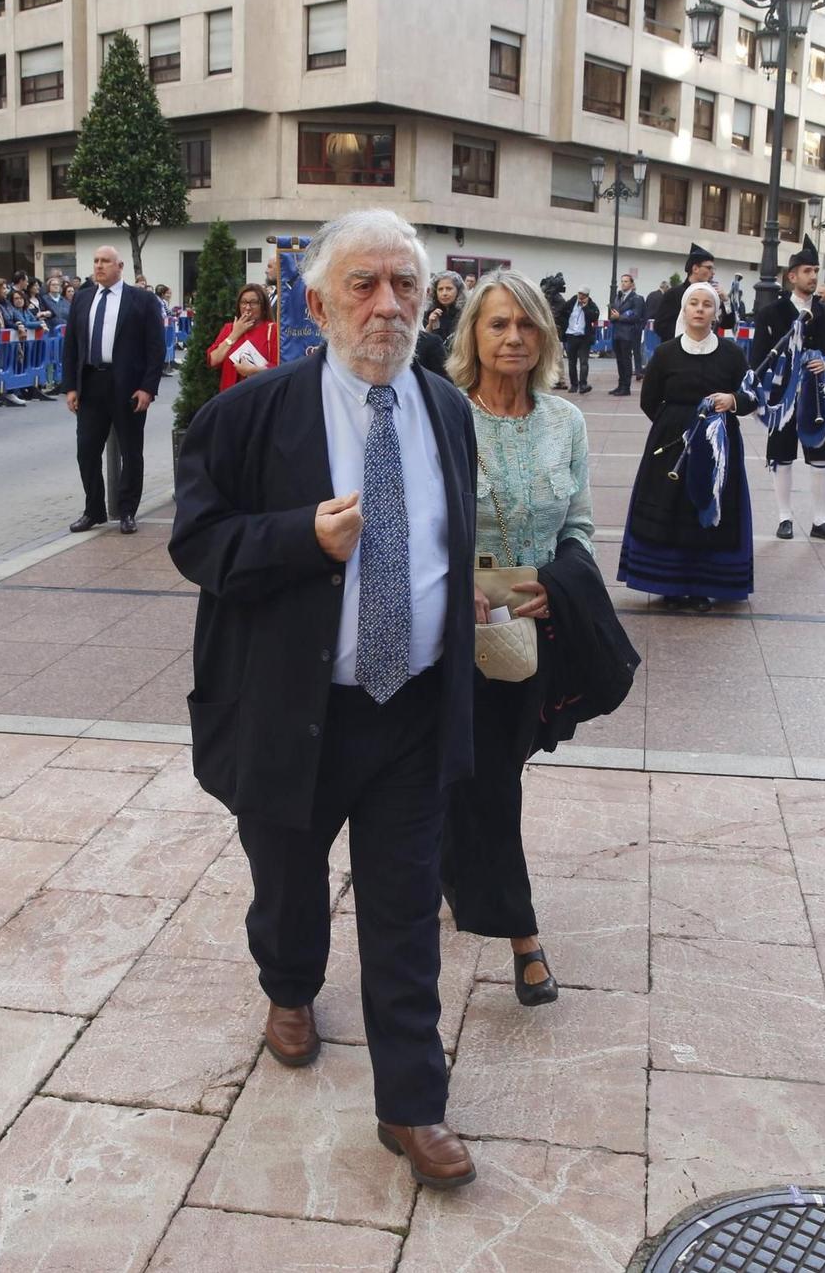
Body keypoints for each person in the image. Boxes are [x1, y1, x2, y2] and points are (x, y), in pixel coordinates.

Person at [168, 208, 480, 1191]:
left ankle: (412, 1102)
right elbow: (198, 544)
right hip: (290, 710)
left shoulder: (446, 410)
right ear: (315, 302)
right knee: (289, 880)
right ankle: (289, 987)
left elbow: (444, 541)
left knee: (402, 905)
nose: (386, 305)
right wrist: (300, 536)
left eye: (403, 285)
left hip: (411, 704)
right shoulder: (245, 416)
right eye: (362, 284)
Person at [441, 269, 602, 1006]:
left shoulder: (566, 422)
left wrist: (555, 588)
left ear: (545, 336)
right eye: (497, 324)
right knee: (489, 784)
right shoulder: (445, 413)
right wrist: (453, 582)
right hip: (451, 627)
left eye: (526, 325)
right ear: (473, 333)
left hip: (531, 632)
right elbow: (414, 521)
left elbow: (580, 528)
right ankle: (523, 937)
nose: (513, 338)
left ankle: (457, 869)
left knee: (494, 774)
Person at [618, 281, 756, 610]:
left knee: (707, 510)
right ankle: (670, 584)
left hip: (718, 446)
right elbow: (650, 401)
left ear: (715, 312)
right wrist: (675, 425)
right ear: (684, 309)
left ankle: (702, 586)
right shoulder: (666, 353)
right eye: (693, 303)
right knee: (671, 509)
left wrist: (732, 400)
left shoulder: (732, 353)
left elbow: (752, 397)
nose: (699, 309)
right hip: (672, 445)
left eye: (706, 305)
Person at [63, 245, 165, 535]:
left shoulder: (142, 301)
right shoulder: (82, 299)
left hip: (128, 387)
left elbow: (155, 349)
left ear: (120, 266)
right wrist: (70, 386)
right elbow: (71, 346)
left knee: (131, 452)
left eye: (105, 261)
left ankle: (127, 511)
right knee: (86, 451)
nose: (99, 266)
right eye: (95, 261)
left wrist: (148, 388)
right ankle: (93, 510)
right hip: (91, 384)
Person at [757, 236, 825, 542]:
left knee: (821, 455)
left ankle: (820, 520)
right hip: (782, 398)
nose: (813, 276)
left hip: (817, 399)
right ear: (792, 276)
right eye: (807, 271)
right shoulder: (773, 313)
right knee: (782, 456)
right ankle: (784, 517)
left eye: (816, 271)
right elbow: (757, 359)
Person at [208, 283, 277, 391]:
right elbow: (213, 360)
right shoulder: (229, 329)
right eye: (243, 302)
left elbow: (280, 368)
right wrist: (234, 334)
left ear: (263, 306)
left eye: (253, 303)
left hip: (260, 396)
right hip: (230, 397)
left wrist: (254, 371)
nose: (247, 307)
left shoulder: (273, 330)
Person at [652, 245, 716, 343]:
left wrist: (726, 301)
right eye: (709, 268)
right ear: (695, 269)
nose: (713, 273)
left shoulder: (712, 295)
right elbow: (660, 326)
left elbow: (727, 324)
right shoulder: (673, 294)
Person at [607, 273, 645, 396]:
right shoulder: (618, 297)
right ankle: (620, 384)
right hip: (617, 333)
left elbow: (636, 315)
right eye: (622, 281)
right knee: (619, 360)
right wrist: (613, 317)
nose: (623, 283)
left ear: (632, 284)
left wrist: (620, 317)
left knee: (626, 360)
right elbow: (614, 313)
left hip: (628, 334)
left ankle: (626, 387)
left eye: (626, 281)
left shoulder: (637, 298)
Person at [557, 287, 597, 394]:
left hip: (584, 337)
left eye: (583, 295)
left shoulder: (591, 304)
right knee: (572, 362)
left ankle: (583, 384)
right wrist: (564, 324)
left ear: (587, 296)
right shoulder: (572, 301)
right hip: (571, 336)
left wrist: (585, 307)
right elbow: (561, 312)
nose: (580, 296)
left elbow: (594, 317)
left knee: (584, 362)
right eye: (579, 294)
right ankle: (574, 385)